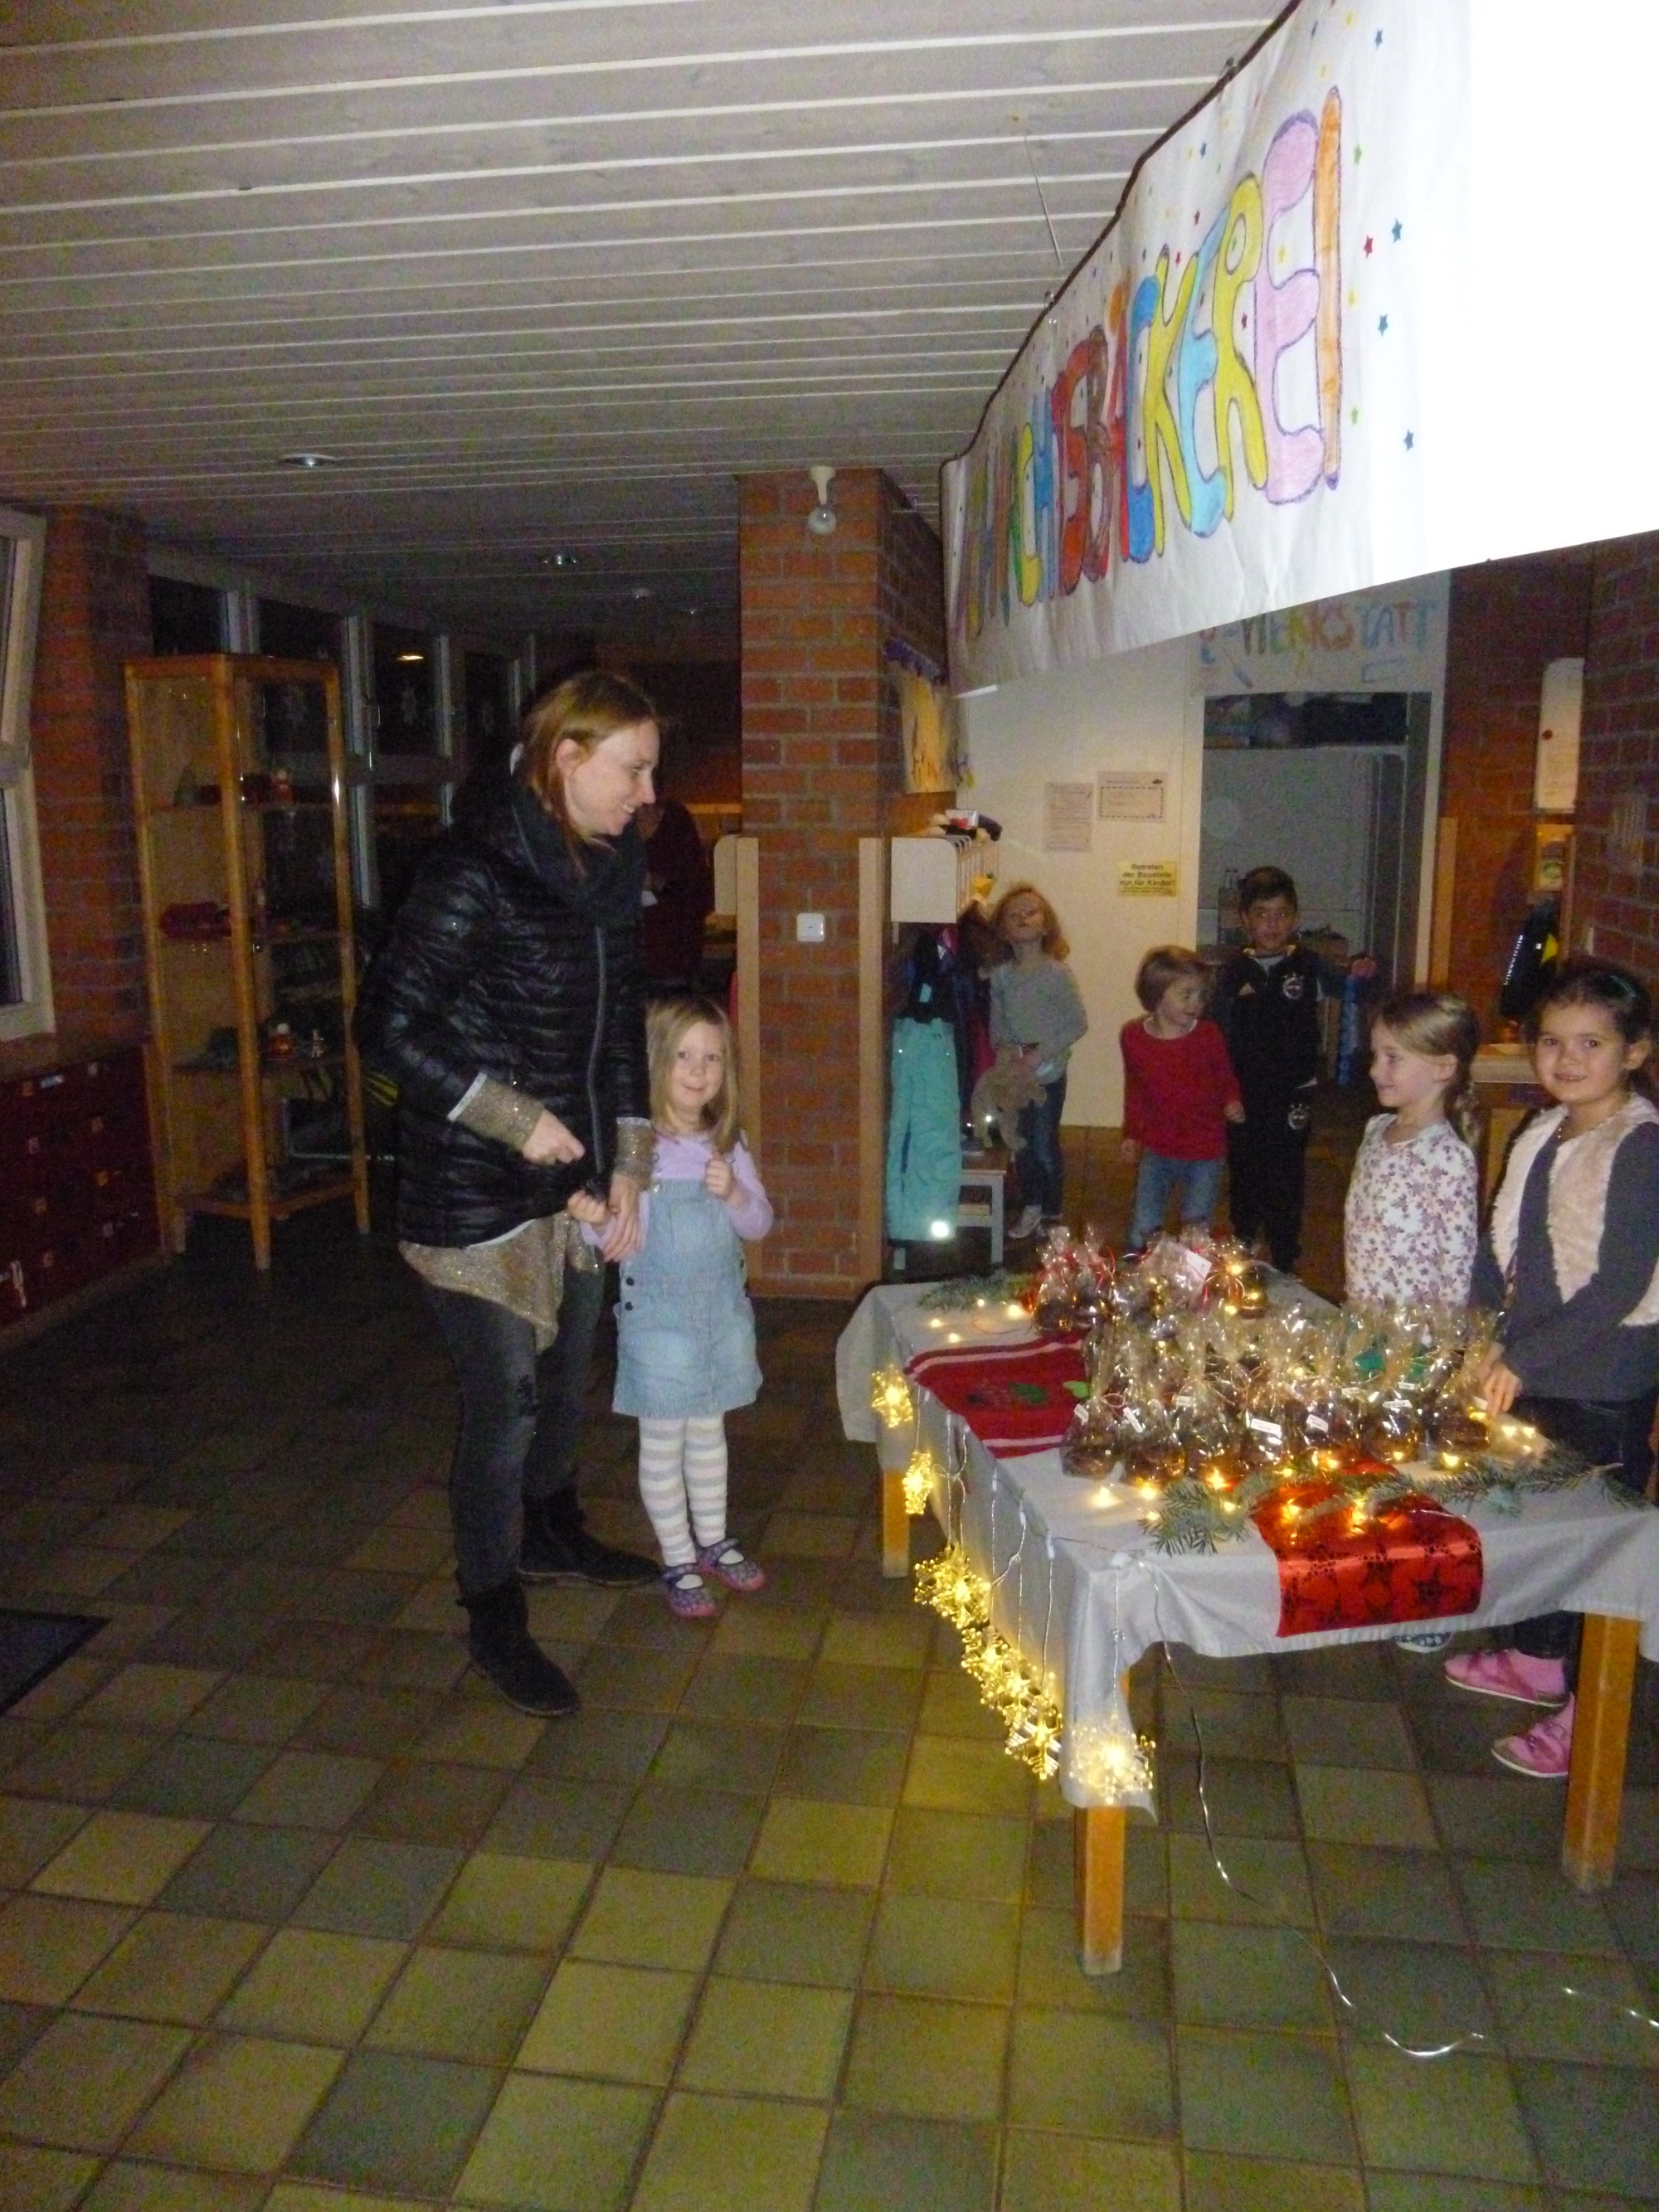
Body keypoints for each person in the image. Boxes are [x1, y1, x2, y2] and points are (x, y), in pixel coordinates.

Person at [356, 671, 664, 1719]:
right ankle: (492, 1609)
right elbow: (389, 1031)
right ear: (567, 760)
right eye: (632, 767)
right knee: (506, 1403)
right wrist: (511, 1116)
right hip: (474, 1191)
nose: (647, 790)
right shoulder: (470, 871)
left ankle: (550, 1529)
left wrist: (630, 1162)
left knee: (571, 1364)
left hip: (571, 1180)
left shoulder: (609, 869)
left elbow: (618, 1029)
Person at [1444, 960, 1659, 1777]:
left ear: (1632, 1051)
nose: (1566, 1060)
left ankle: (1588, 1705)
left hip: (1598, 1375)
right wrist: (1479, 1334)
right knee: (1535, 1520)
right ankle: (1538, 1657)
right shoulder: (1541, 1130)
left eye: (1590, 1044)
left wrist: (1522, 1358)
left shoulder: (1635, 1147)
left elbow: (1618, 1283)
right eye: (1550, 1043)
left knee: (1591, 1545)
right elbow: (1500, 1244)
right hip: (1531, 1363)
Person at [605, 994, 773, 1618]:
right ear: (655, 1062)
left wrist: (734, 1192)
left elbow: (758, 1224)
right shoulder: (637, 1154)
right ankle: (677, 1554)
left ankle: (713, 1540)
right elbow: (616, 1242)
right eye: (684, 1056)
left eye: (712, 1058)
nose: (699, 1071)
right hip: (661, 1327)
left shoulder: (728, 1144)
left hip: (720, 1318)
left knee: (710, 1432)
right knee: (662, 1438)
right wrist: (596, 1214)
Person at [1213, 866, 1326, 1272]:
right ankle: (1242, 1244)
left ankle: (1285, 1256)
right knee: (1244, 1168)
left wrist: (1364, 970)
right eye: (1262, 913)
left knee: (1287, 1173)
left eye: (1281, 913)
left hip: (1293, 1091)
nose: (1272, 924)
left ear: (1295, 917)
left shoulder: (1308, 966)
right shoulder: (1233, 973)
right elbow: (1216, 1030)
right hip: (1244, 1092)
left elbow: (1351, 985)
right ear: (1245, 920)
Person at [1342, 990, 1481, 1308]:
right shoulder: (1376, 1130)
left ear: (1443, 1068)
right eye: (1376, 1055)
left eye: (1393, 1058)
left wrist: (1445, 1341)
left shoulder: (1448, 1157)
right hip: (1363, 1315)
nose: (1375, 1070)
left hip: (1415, 1335)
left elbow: (1457, 1263)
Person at [1118, 946, 1243, 1248]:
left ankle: (1191, 1285)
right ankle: (1136, 1282)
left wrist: (1232, 1100)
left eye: (1201, 995)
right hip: (1159, 1148)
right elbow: (1135, 1089)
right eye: (1186, 994)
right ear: (1157, 994)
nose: (1196, 1003)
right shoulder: (1134, 1037)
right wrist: (1132, 1134)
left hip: (1205, 1150)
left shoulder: (1208, 1035)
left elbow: (1225, 1076)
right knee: (1144, 1225)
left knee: (1197, 1225)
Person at [988, 883, 1088, 1240]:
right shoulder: (1001, 976)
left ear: (1047, 925)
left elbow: (1077, 1023)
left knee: (1045, 1142)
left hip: (1048, 1071)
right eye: (1014, 914)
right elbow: (997, 1023)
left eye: (1031, 911)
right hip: (1015, 1072)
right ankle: (1031, 1203)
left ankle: (1052, 1211)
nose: (1023, 918)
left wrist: (1040, 1054)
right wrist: (1003, 1050)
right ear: (1003, 930)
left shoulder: (1058, 973)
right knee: (1020, 1142)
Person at [637, 788, 714, 991]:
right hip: (629, 957)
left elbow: (696, 890)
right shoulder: (614, 823)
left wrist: (656, 882)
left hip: (673, 954)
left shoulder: (675, 824)